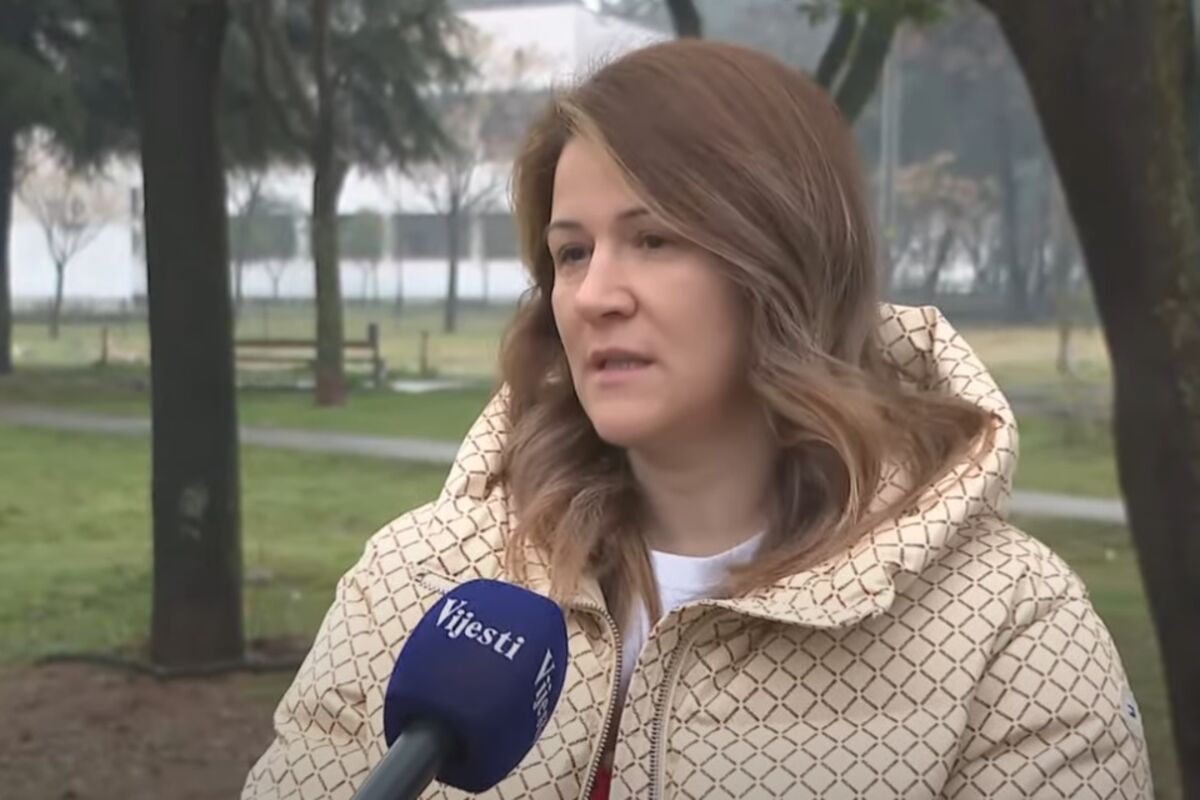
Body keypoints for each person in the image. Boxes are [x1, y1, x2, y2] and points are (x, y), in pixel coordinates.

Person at [243, 40, 1151, 800]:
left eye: (654, 239)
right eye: (571, 252)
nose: (595, 295)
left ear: (786, 264)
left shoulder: (1008, 632)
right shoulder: (414, 581)